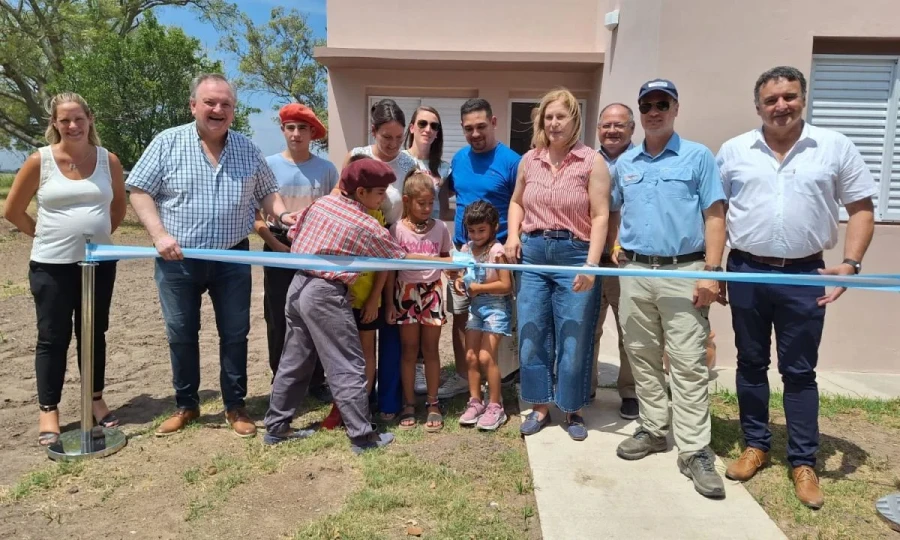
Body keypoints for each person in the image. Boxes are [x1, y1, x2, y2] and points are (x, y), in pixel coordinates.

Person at [716, 66, 876, 509]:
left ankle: (803, 461)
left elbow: (861, 207)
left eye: (789, 97)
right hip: (746, 269)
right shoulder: (733, 151)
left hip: (804, 275)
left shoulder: (833, 147)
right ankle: (756, 445)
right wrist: (716, 271)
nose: (780, 106)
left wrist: (850, 263)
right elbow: (716, 212)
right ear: (758, 106)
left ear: (802, 98)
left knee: (799, 371)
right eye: (771, 100)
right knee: (749, 363)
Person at [127, 73, 294, 438]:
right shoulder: (167, 143)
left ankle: (235, 406)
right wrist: (158, 235)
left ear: (233, 111)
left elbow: (267, 194)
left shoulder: (248, 149)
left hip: (233, 258)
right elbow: (138, 190)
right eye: (210, 103)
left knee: (235, 333)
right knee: (181, 333)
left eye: (226, 104)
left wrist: (282, 215)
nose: (218, 110)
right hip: (177, 259)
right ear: (194, 106)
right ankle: (186, 405)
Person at [262, 159, 452, 453]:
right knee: (348, 363)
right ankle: (362, 436)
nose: (383, 199)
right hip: (325, 292)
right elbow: (399, 257)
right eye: (379, 193)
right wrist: (450, 261)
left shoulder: (322, 203)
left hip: (298, 286)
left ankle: (276, 427)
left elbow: (293, 232)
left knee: (294, 359)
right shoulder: (365, 223)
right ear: (361, 192)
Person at [610, 79, 727, 499]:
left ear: (675, 108)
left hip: (684, 270)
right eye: (647, 105)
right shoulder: (626, 163)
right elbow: (614, 212)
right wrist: (615, 249)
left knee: (688, 362)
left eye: (662, 103)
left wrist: (711, 272)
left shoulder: (698, 157)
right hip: (636, 272)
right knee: (640, 355)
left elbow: (715, 216)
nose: (654, 111)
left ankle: (695, 450)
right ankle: (654, 428)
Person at [4, 93, 126, 446]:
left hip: (98, 264)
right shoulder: (38, 161)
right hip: (51, 266)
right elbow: (13, 210)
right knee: (53, 337)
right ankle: (49, 409)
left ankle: (95, 399)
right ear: (54, 124)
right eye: (65, 120)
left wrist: (99, 236)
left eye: (79, 119)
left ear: (90, 119)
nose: (72, 126)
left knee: (93, 333)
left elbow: (118, 206)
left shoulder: (108, 161)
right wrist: (44, 235)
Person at [504, 87, 610, 442]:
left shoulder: (591, 161)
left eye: (560, 116)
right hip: (533, 256)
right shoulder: (529, 160)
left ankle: (572, 407)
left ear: (574, 120)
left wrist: (591, 265)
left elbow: (599, 216)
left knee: (574, 336)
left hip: (574, 255)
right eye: (548, 117)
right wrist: (513, 236)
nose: (553, 123)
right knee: (532, 333)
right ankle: (539, 406)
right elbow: (517, 202)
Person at [342, 99, 418, 420]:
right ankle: (358, 401)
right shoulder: (357, 157)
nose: (392, 144)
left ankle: (388, 402)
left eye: (398, 138)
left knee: (391, 326)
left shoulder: (409, 165)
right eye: (386, 137)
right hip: (358, 256)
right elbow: (340, 196)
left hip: (394, 252)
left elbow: (414, 208)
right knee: (357, 333)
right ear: (373, 131)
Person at [254, 103, 334, 403]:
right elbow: (256, 214)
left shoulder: (326, 170)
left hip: (314, 250)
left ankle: (316, 380)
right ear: (283, 130)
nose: (297, 134)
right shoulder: (268, 165)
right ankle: (281, 378)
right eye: (291, 127)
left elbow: (332, 212)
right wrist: (276, 245)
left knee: (315, 313)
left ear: (312, 132)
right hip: (277, 247)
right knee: (277, 316)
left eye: (303, 128)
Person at [442, 98, 521, 400]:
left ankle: (502, 379)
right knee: (462, 315)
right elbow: (448, 192)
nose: (475, 134)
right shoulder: (459, 159)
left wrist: (513, 239)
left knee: (498, 319)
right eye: (468, 129)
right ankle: (465, 376)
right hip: (464, 254)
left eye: (480, 126)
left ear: (494, 122)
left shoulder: (511, 161)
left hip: (498, 255)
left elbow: (520, 203)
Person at [321, 154, 389, 429]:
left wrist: (374, 298)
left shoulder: (377, 216)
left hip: (368, 300)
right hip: (342, 299)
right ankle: (340, 406)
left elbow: (386, 261)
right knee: (342, 355)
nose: (383, 197)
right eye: (380, 192)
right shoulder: (338, 213)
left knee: (366, 352)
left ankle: (360, 406)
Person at [390, 172, 452, 432]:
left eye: (430, 203)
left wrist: (448, 270)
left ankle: (433, 403)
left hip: (433, 292)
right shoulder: (397, 229)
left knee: (430, 350)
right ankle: (408, 403)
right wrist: (390, 303)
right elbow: (392, 268)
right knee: (408, 349)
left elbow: (448, 259)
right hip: (405, 293)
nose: (427, 208)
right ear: (407, 200)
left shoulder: (440, 228)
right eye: (421, 203)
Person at [591, 103, 638, 419]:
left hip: (628, 263)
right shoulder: (586, 161)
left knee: (630, 332)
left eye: (619, 125)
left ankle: (630, 392)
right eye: (606, 125)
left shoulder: (642, 161)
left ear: (632, 128)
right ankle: (586, 387)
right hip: (592, 258)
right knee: (587, 329)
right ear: (598, 129)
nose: (611, 130)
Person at [455, 201, 513, 431]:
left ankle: (495, 406)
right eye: (472, 230)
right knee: (470, 356)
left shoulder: (497, 252)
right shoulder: (466, 249)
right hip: (475, 307)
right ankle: (475, 401)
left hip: (496, 307)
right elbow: (462, 274)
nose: (476, 235)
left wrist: (478, 288)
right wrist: (460, 281)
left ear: (493, 227)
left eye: (482, 230)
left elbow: (506, 285)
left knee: (486, 357)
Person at [403, 106, 452, 220]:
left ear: (437, 133)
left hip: (431, 234)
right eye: (422, 123)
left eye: (434, 126)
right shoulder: (399, 159)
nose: (428, 129)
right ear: (411, 128)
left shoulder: (444, 168)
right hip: (402, 233)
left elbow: (443, 212)